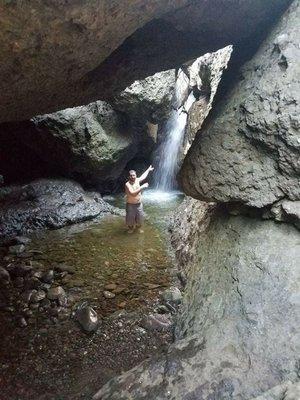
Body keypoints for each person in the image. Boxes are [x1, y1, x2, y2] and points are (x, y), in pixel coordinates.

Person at [125, 165, 154, 233]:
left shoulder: (137, 180)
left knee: (140, 219)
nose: (132, 177)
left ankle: (138, 228)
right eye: (131, 175)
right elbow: (132, 193)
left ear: (135, 175)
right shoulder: (127, 184)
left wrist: (148, 170)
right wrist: (142, 187)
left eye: (134, 175)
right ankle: (131, 229)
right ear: (129, 176)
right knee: (130, 220)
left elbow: (143, 176)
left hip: (139, 204)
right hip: (130, 205)